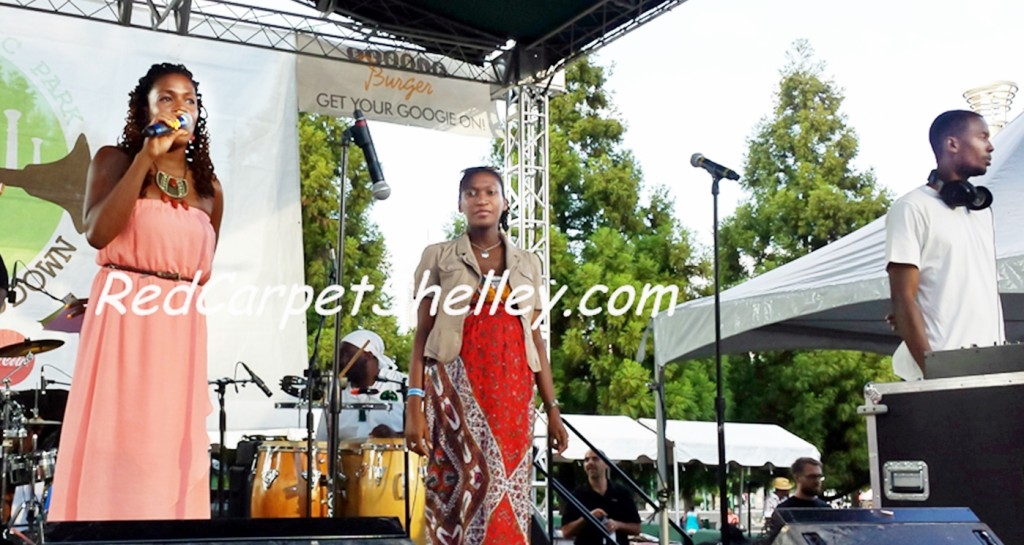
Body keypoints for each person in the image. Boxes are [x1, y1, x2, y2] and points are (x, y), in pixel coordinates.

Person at [49, 63, 223, 521]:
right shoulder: (114, 160)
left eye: (189, 99)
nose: (180, 107)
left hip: (179, 329)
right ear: (144, 107)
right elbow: (98, 232)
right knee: (120, 442)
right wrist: (146, 157)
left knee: (167, 450)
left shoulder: (209, 190)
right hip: (124, 322)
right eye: (167, 98)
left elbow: (202, 268)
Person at [405, 166, 569, 545]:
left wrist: (553, 408)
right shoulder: (438, 256)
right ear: (460, 203)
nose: (481, 200)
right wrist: (414, 406)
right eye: (472, 193)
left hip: (512, 396)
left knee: (506, 493)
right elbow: (422, 334)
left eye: (490, 192)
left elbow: (536, 338)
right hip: (454, 391)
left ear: (504, 202)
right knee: (454, 490)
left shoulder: (529, 263)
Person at [886, 110, 1003, 380]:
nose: (990, 146)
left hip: (989, 373)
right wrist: (936, 375)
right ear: (952, 144)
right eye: (982, 136)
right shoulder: (912, 208)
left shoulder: (981, 212)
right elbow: (902, 298)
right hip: (943, 378)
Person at [317, 329, 405, 440]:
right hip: (346, 456)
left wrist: (394, 436)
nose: (340, 361)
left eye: (345, 355)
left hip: (394, 456)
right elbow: (322, 441)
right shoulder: (337, 392)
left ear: (367, 355)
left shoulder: (401, 383)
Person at [561, 450, 642, 545]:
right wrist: (587, 518)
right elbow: (566, 532)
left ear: (606, 464)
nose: (590, 463)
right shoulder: (576, 495)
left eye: (595, 459)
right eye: (586, 460)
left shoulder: (622, 493)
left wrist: (617, 525)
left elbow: (637, 528)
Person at [764, 458, 829, 542]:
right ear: (797, 478)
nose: (817, 481)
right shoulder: (784, 511)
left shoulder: (826, 509)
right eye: (812, 477)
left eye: (819, 476)